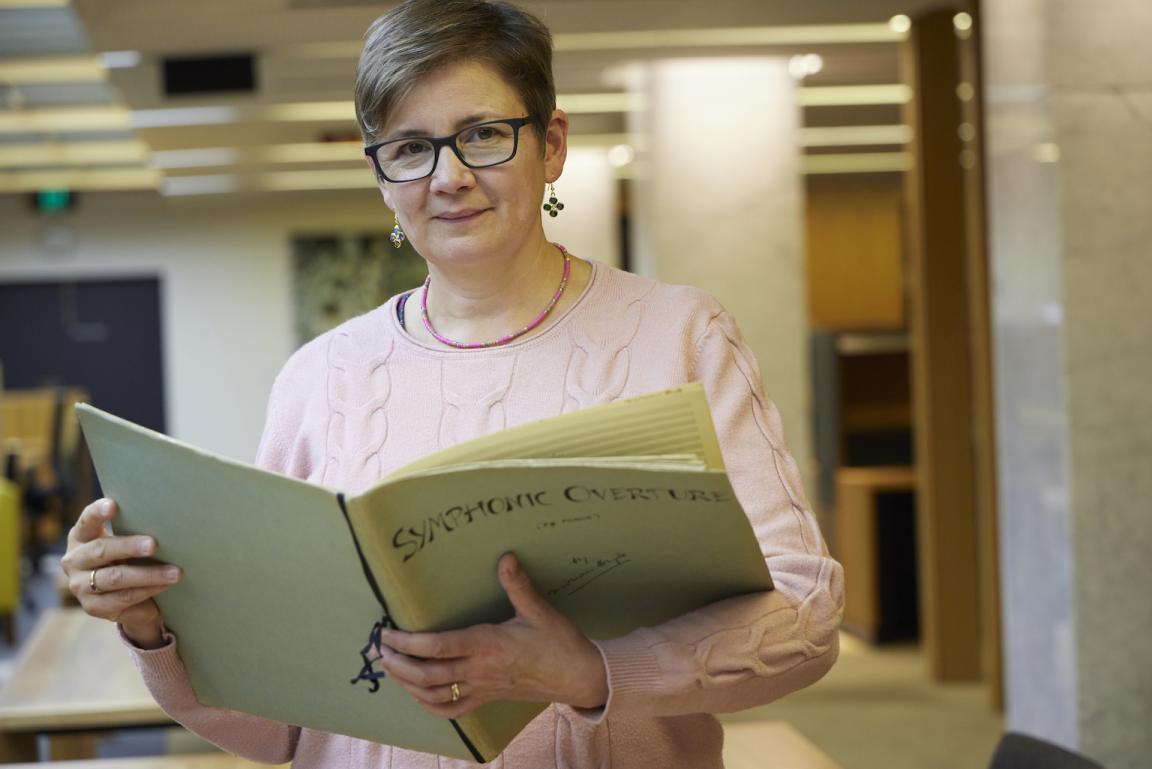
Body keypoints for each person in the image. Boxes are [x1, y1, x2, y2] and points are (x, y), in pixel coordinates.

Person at [60, 1, 844, 766]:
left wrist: (588, 673)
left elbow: (804, 615)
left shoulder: (679, 336)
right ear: (381, 173)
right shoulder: (321, 377)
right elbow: (286, 730)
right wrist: (150, 626)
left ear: (553, 143)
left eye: (482, 135)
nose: (451, 176)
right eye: (410, 148)